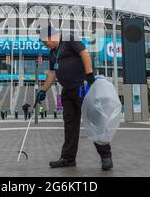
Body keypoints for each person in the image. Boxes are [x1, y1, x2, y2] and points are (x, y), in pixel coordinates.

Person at [36, 25, 113, 170]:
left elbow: (84, 53)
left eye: (46, 42)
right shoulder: (52, 53)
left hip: (81, 87)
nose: (46, 46)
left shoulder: (69, 38)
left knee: (94, 120)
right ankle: (68, 158)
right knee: (70, 125)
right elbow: (52, 73)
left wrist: (89, 77)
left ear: (52, 35)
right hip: (67, 91)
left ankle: (106, 156)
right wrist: (43, 91)